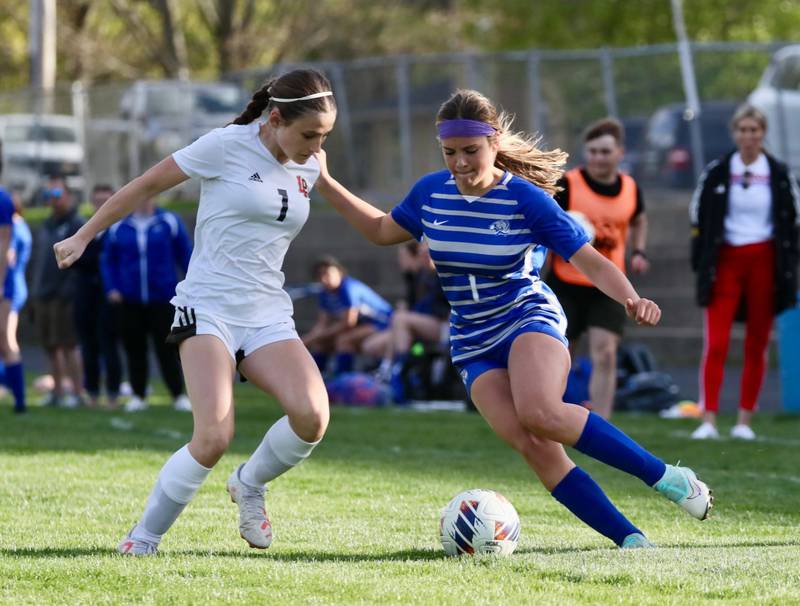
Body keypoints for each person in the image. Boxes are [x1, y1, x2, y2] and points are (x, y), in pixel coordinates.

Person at [313, 88, 713, 549]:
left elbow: (590, 259)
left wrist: (631, 298)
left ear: (494, 142)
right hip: (472, 339)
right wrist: (326, 183)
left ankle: (668, 478)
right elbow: (382, 229)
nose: (460, 163)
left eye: (470, 151)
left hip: (527, 316)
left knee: (540, 411)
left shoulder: (524, 199)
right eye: (449, 152)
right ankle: (631, 542)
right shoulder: (430, 193)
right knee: (534, 446)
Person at [53, 68, 335, 555]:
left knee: (312, 416)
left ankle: (249, 484)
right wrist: (83, 235)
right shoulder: (225, 145)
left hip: (268, 312)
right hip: (207, 307)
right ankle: (142, 540)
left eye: (325, 136)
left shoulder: (310, 163)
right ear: (275, 118)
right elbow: (145, 186)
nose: (316, 147)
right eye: (309, 134)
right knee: (213, 436)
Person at [689, 103, 799, 441]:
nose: (749, 136)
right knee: (717, 342)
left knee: (758, 342)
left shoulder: (779, 174)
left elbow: (792, 219)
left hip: (764, 260)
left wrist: (787, 266)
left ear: (763, 133)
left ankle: (744, 421)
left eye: (755, 130)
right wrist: (702, 260)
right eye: (743, 130)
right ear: (734, 133)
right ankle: (708, 419)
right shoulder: (718, 171)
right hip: (726, 260)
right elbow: (698, 216)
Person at [546, 118, 649, 419]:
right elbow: (545, 222)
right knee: (562, 353)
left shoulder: (630, 187)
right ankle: (551, 415)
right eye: (592, 151)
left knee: (605, 353)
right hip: (567, 282)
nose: (598, 158)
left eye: (605, 151)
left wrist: (639, 250)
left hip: (608, 285)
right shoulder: (568, 184)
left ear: (620, 153)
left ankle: (601, 426)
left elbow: (639, 218)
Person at [101, 195, 193, 412]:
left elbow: (185, 254)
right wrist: (112, 287)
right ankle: (138, 395)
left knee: (168, 348)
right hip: (129, 299)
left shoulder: (169, 221)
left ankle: (178, 394)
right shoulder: (120, 226)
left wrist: (191, 285)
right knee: (134, 348)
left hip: (163, 297)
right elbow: (108, 260)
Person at [371, 242, 450, 403]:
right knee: (373, 344)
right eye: (422, 255)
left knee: (400, 319)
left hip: (445, 327)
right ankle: (395, 371)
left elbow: (444, 311)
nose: (424, 258)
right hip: (422, 325)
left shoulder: (444, 276)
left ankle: (396, 369)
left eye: (427, 254)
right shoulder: (421, 277)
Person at [30, 176, 85, 408]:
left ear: (67, 195)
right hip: (44, 293)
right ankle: (57, 392)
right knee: (50, 345)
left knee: (69, 344)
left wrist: (68, 290)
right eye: (48, 196)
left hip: (63, 295)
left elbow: (79, 262)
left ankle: (77, 393)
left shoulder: (75, 223)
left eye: (56, 195)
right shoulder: (47, 224)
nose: (52, 200)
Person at [73, 184, 124, 408]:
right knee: (88, 346)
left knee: (109, 345)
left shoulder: (120, 230)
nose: (102, 205)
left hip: (110, 296)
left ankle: (113, 394)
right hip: (86, 295)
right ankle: (92, 393)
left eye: (107, 200)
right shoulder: (84, 230)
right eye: (98, 200)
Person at [301, 255, 392, 376]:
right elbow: (322, 324)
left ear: (339, 272)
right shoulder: (325, 293)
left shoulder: (348, 288)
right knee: (321, 343)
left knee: (344, 340)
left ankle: (343, 378)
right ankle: (314, 377)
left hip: (383, 323)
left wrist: (312, 338)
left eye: (327, 273)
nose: (324, 279)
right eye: (320, 275)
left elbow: (348, 323)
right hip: (362, 326)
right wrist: (309, 339)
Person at [0, 184, 21, 412]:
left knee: (6, 339)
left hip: (4, 284)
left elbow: (4, 242)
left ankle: (20, 402)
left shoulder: (2, 199)